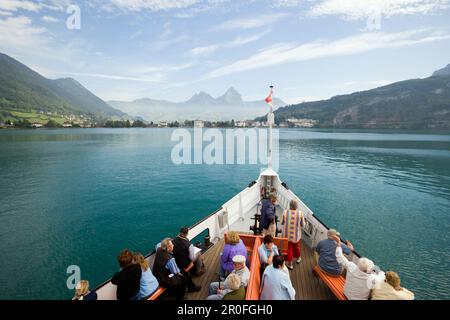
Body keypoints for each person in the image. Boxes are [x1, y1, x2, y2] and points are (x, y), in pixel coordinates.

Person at [333, 234, 385, 300]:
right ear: (369, 270)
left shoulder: (351, 267)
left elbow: (339, 257)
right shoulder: (372, 278)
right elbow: (382, 275)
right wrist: (377, 270)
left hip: (346, 294)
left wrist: (338, 245)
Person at [281, 200, 306, 270]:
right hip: (296, 236)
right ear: (296, 206)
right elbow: (303, 225)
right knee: (296, 248)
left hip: (287, 235)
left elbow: (282, 222)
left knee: (289, 249)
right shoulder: (300, 213)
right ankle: (298, 258)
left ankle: (290, 264)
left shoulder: (285, 212)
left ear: (290, 205)